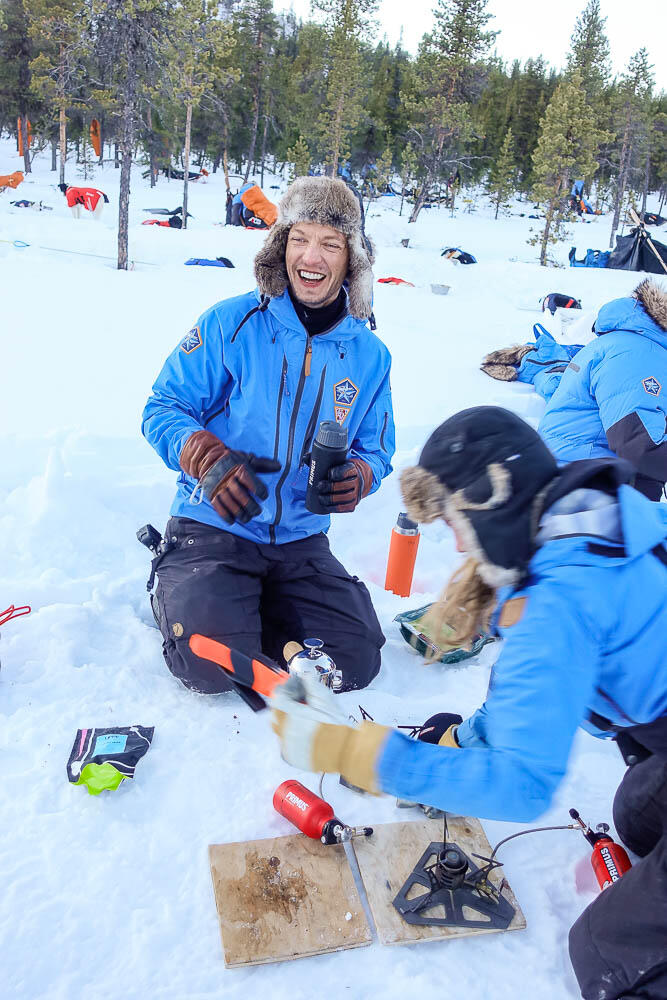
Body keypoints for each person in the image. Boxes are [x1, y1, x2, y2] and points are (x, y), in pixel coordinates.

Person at [271, 405, 667, 1000]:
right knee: (638, 818)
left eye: (457, 521)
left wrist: (361, 754)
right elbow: (535, 692)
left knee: (611, 953)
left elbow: (522, 785)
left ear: (493, 501)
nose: (456, 541)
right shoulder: (591, 520)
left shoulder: (560, 601)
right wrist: (465, 740)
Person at [141, 176, 395, 710]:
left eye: (330, 244)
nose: (312, 257)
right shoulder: (231, 323)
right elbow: (164, 407)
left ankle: (255, 610)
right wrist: (203, 456)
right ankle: (191, 591)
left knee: (355, 657)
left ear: (352, 258)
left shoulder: (370, 355)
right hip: (215, 526)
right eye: (300, 239)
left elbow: (376, 450)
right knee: (210, 666)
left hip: (300, 541)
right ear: (281, 245)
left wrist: (359, 477)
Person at [539, 280, 666, 501]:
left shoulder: (637, 343)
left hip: (585, 467)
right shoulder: (636, 354)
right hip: (584, 480)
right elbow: (639, 447)